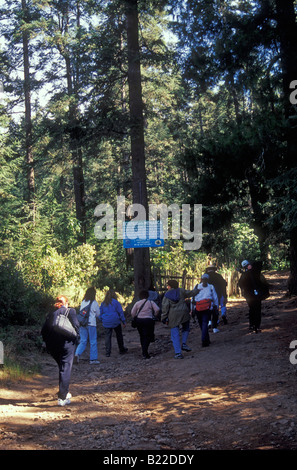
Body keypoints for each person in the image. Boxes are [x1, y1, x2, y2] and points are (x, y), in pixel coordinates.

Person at [41, 295, 80, 406]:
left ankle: (65, 392)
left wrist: (48, 342)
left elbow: (43, 330)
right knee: (65, 368)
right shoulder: (70, 311)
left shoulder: (51, 314)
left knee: (62, 368)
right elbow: (76, 325)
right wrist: (77, 338)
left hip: (52, 346)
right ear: (66, 303)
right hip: (66, 345)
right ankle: (62, 398)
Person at [161, 280, 199, 359]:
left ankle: (178, 353)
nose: (167, 287)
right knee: (186, 328)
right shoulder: (181, 290)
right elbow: (191, 293)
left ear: (170, 286)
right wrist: (197, 289)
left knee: (175, 334)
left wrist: (163, 317)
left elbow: (165, 308)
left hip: (173, 315)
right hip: (184, 312)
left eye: (168, 285)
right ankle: (184, 343)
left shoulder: (166, 295)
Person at [238, 260, 270, 333]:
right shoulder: (256, 273)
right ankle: (256, 325)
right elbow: (264, 283)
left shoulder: (245, 275)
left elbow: (240, 285)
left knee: (252, 309)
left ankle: (252, 325)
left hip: (249, 296)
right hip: (255, 295)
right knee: (257, 309)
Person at [131, 290, 160, 359]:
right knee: (148, 336)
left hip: (139, 321)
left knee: (142, 335)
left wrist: (135, 317)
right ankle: (145, 351)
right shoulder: (150, 302)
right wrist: (154, 315)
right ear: (147, 295)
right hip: (148, 320)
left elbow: (132, 312)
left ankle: (144, 351)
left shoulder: (137, 303)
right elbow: (157, 309)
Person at [75, 287, 100, 364]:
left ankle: (76, 354)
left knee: (83, 341)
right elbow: (98, 314)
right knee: (93, 341)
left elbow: (81, 312)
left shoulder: (83, 302)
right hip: (91, 324)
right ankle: (93, 359)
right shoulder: (94, 303)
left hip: (83, 323)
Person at [192, 274, 219, 347]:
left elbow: (193, 298)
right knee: (204, 323)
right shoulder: (210, 287)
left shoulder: (198, 286)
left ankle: (205, 339)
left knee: (202, 323)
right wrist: (216, 306)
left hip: (199, 308)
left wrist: (193, 308)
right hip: (206, 308)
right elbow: (215, 297)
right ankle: (205, 339)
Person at [99, 289, 128, 357]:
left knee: (107, 336)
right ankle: (121, 349)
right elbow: (120, 312)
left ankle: (107, 352)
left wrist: (102, 319)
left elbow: (100, 313)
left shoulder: (103, 303)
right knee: (119, 335)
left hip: (106, 321)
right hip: (115, 321)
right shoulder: (116, 302)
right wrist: (123, 321)